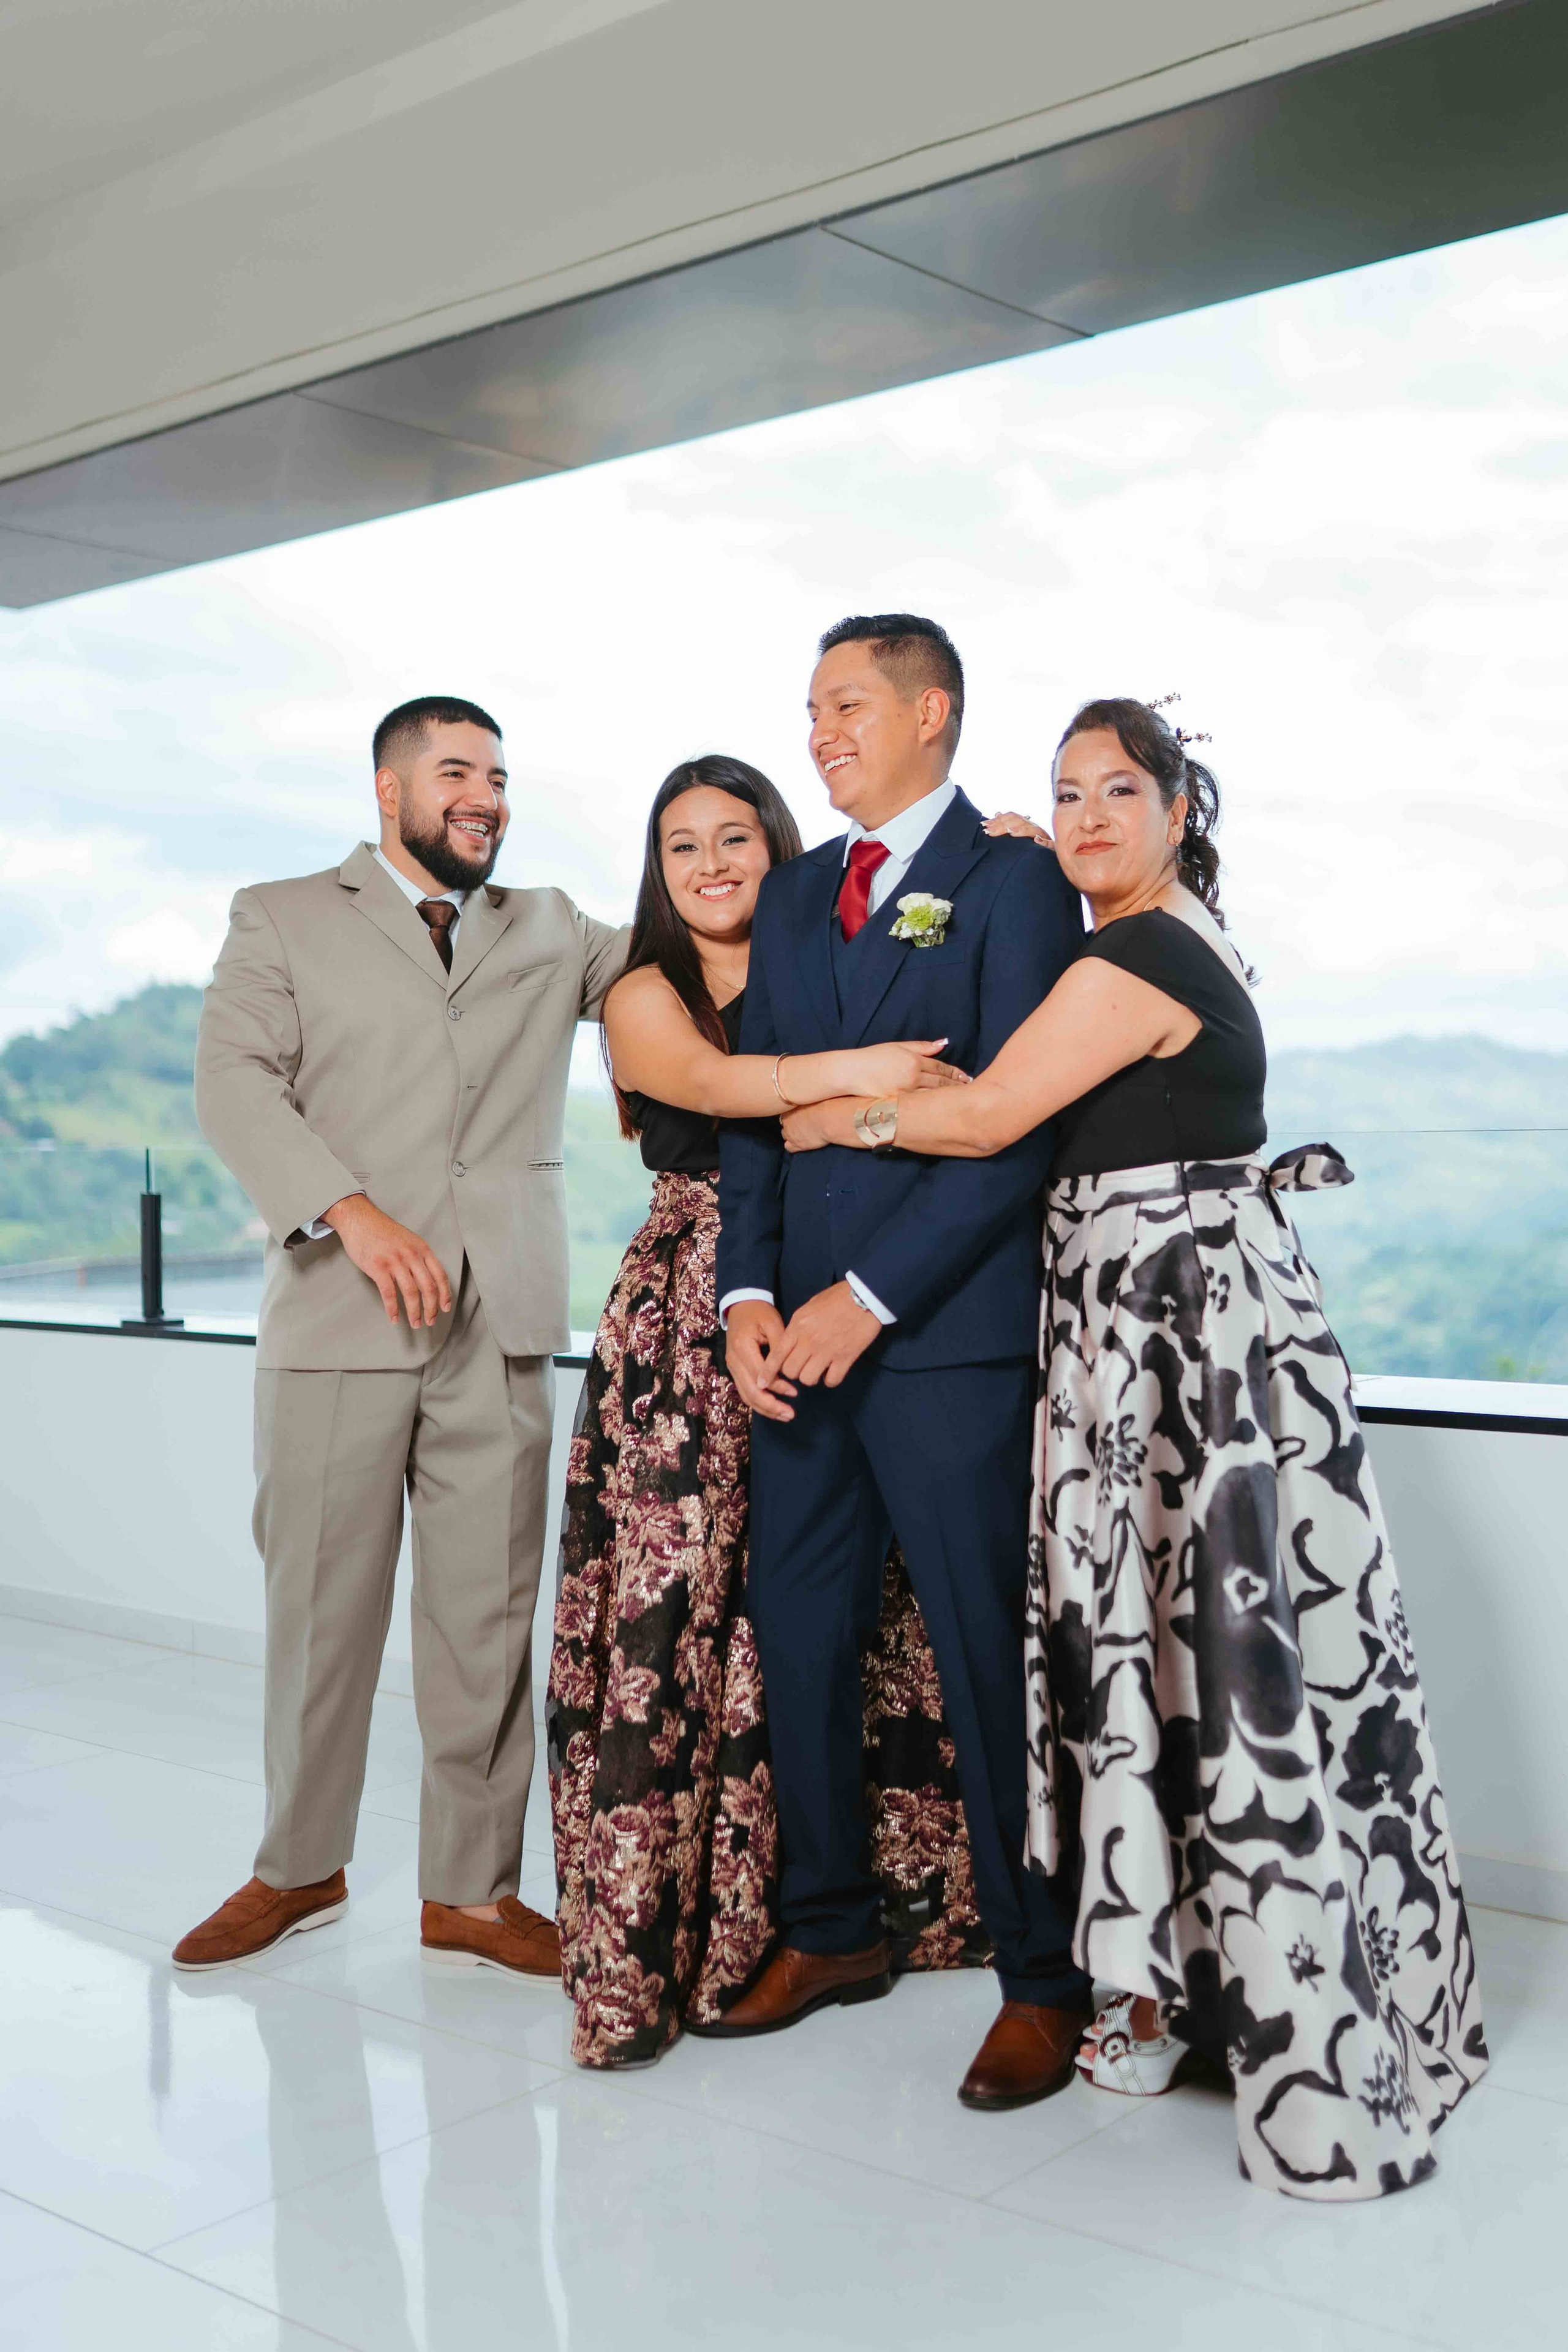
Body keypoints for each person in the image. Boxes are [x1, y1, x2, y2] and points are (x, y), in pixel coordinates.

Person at [781, 695, 1488, 2198]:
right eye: (1064, 795)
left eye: (1120, 792)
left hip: (1172, 1334)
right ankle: (1229, 1977)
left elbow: (982, 1122)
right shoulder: (1181, 935)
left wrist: (833, 1113)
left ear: (1181, 810)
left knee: (1210, 1654)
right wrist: (1048, 855)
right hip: (1182, 1323)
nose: (1088, 816)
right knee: (1197, 1655)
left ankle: (1272, 2010)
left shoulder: (1134, 954)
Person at [548, 753, 992, 2070]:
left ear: (777, 845)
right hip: (694, 1312)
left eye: (734, 836)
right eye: (680, 845)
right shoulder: (643, 991)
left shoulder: (831, 943)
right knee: (677, 1612)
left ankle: (853, 1908)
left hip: (836, 1298)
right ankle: (671, 1934)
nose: (709, 865)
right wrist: (862, 1083)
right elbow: (730, 1092)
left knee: (826, 1614)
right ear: (657, 869)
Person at [175, 696, 627, 1980]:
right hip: (338, 1314)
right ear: (388, 791)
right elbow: (232, 1081)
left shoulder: (552, 926)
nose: (482, 792)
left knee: (486, 1614)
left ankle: (471, 1893)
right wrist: (352, 1214)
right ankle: (296, 1868)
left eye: (496, 773)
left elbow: (708, 935)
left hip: (503, 1319)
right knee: (320, 1613)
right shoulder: (282, 914)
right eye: (454, 771)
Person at [715, 616, 1096, 2109]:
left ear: (932, 712)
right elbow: (759, 1109)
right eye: (808, 707)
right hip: (791, 1340)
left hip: (940, 1341)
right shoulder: (799, 892)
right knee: (799, 1633)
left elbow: (1015, 1127)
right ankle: (827, 1930)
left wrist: (863, 1299)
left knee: (978, 1652)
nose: (818, 730)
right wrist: (752, 1295)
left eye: (847, 704)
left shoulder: (1014, 882)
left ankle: (1039, 1974)